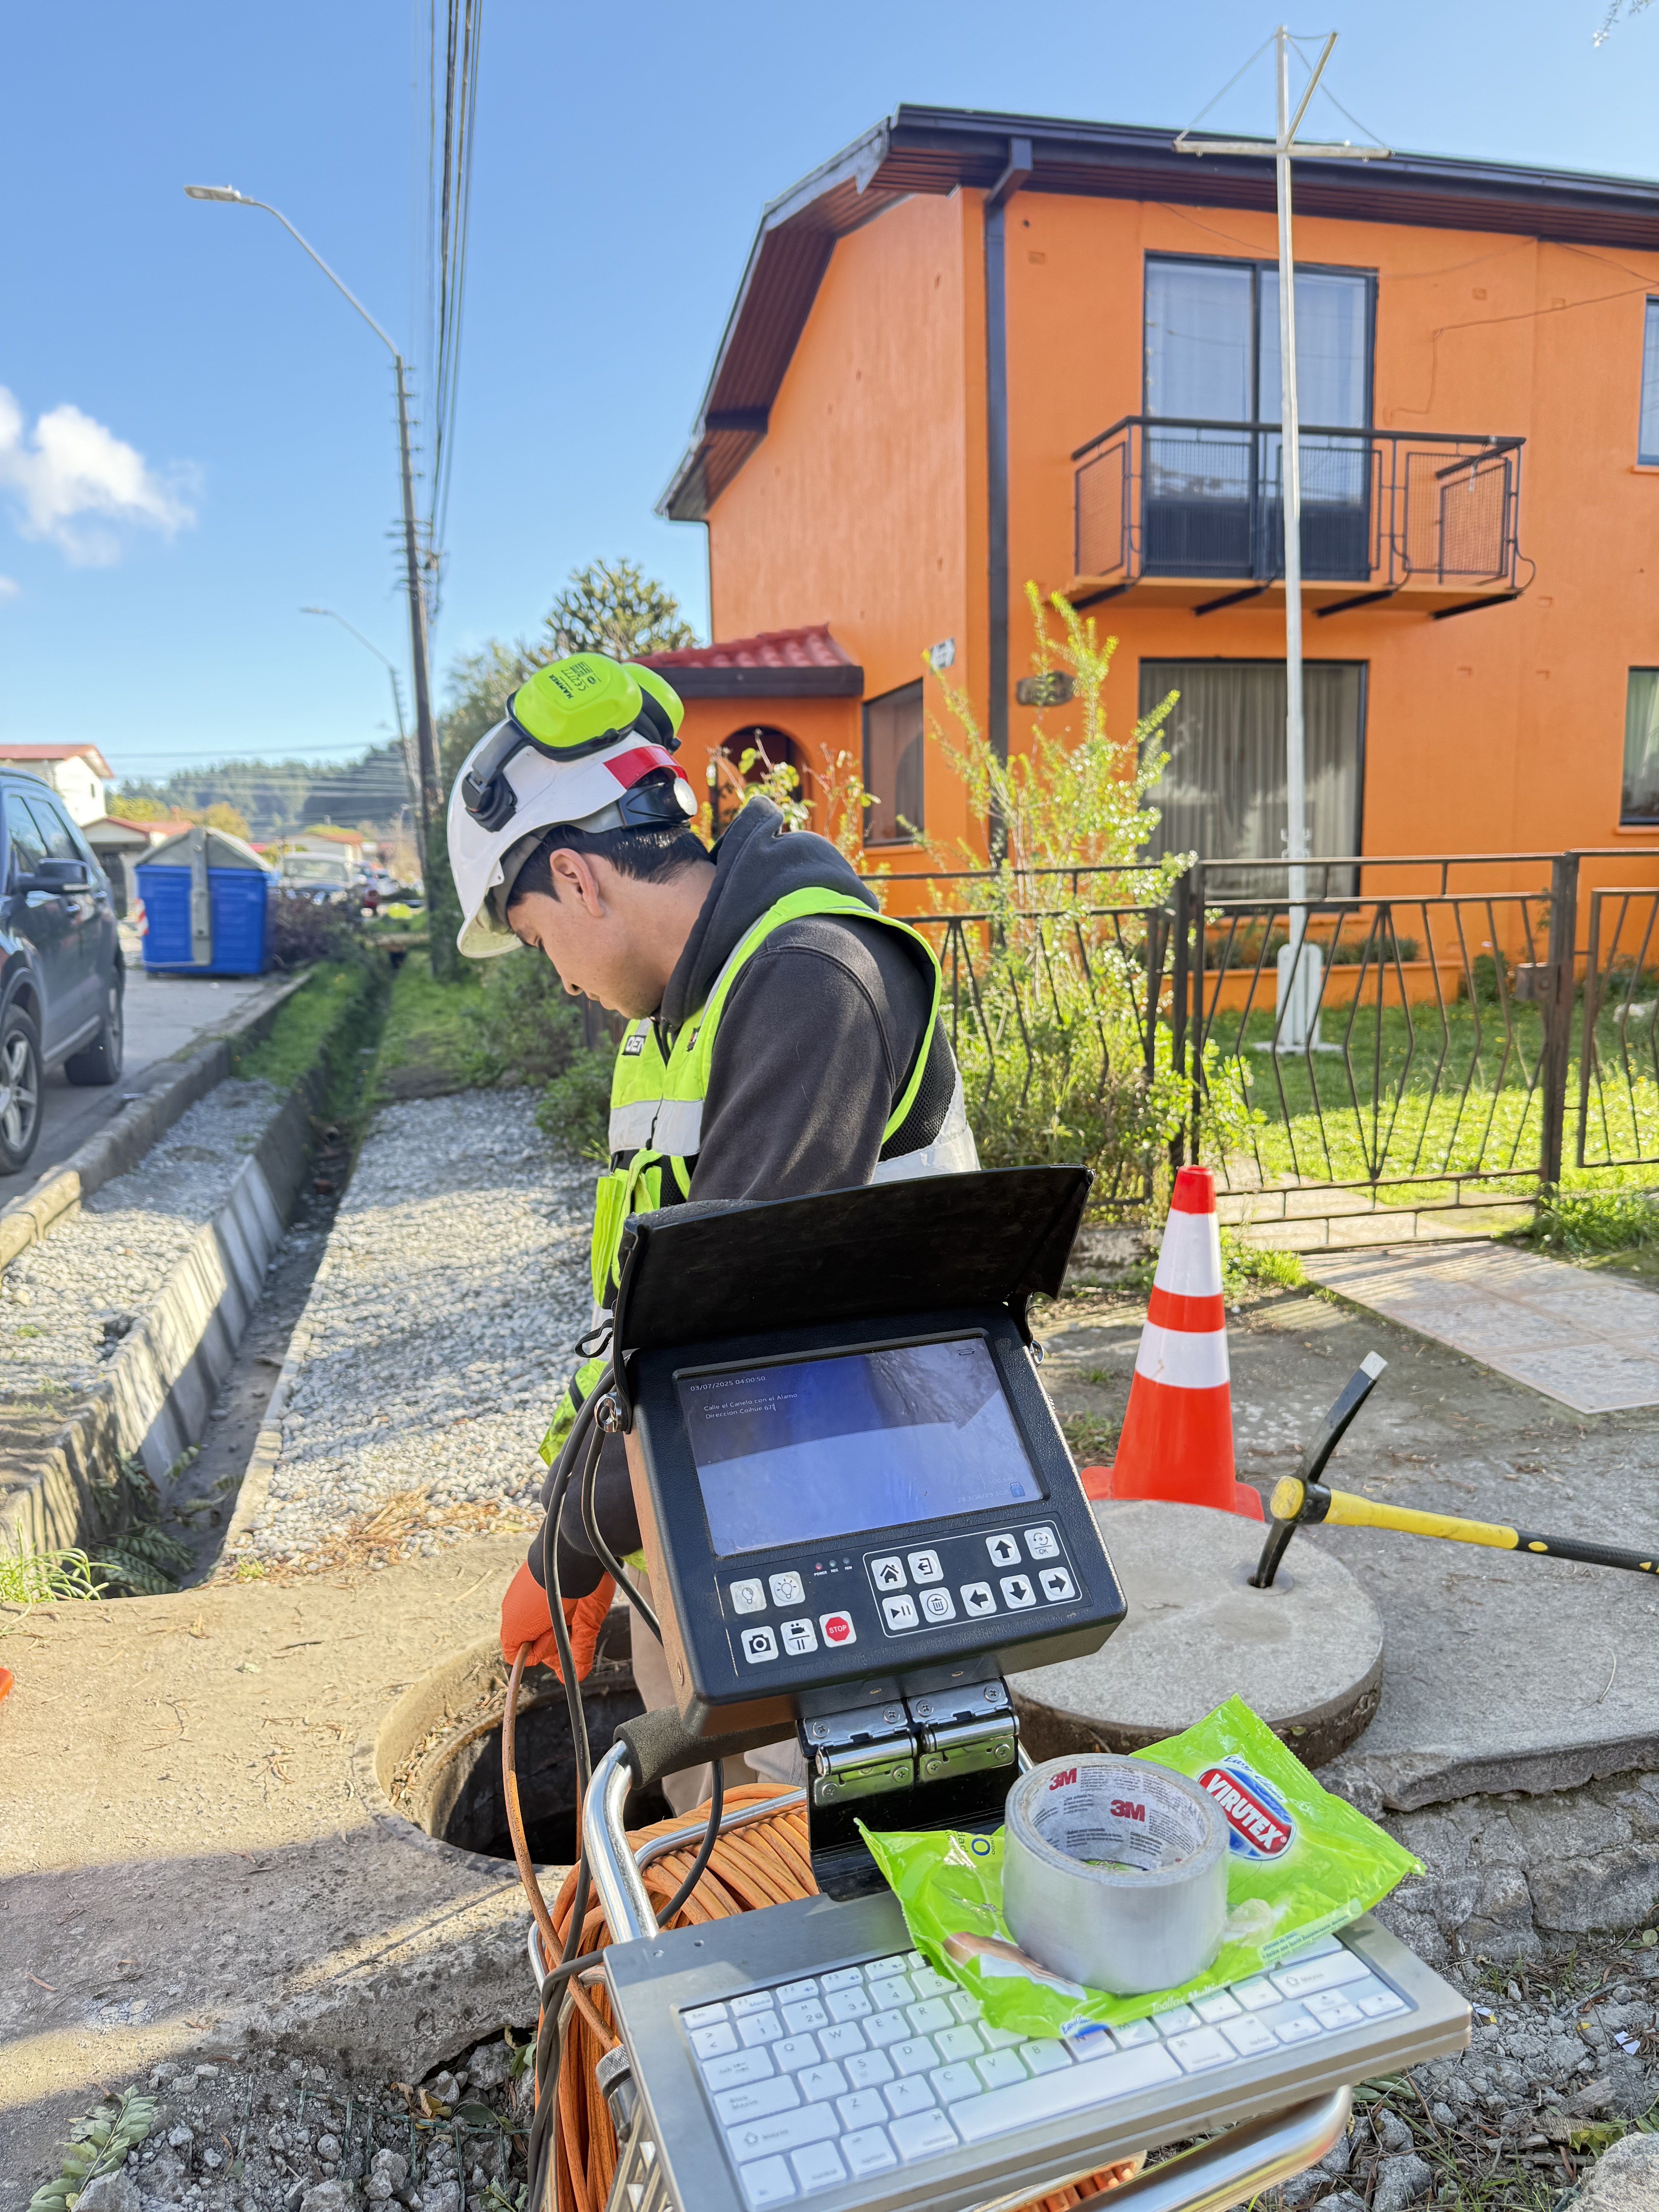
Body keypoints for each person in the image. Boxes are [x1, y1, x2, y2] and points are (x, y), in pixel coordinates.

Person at [448, 649, 978, 1810]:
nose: (559, 979)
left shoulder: (810, 978)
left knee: (837, 1839)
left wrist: (568, 1545)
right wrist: (581, 1501)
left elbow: (732, 1313)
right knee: (706, 1792)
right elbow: (638, 1304)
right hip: (731, 1473)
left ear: (581, 879)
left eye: (537, 940)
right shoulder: (667, 1019)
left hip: (872, 1495)